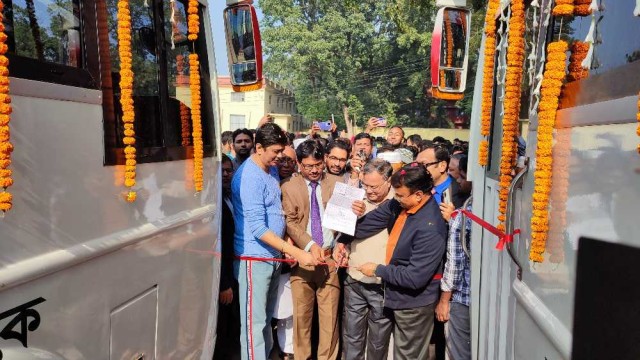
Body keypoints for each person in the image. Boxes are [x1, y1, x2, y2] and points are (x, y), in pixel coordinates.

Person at [232, 123, 316, 360]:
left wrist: (285, 241)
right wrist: (295, 251)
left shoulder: (271, 170)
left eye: (282, 151)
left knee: (267, 319)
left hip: (273, 255)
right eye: (276, 151)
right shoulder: (249, 177)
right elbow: (258, 228)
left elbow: (277, 212)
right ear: (258, 148)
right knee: (254, 325)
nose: (280, 156)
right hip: (254, 258)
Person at [349, 163, 448, 360]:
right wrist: (350, 216)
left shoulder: (431, 227)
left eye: (401, 195)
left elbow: (414, 278)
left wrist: (378, 270)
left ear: (419, 195)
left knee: (407, 355)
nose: (396, 199)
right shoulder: (399, 204)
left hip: (414, 305)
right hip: (395, 295)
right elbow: (363, 227)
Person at [281, 139, 365, 360]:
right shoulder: (289, 187)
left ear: (324, 161)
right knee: (302, 319)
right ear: (299, 163)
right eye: (309, 166)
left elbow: (347, 220)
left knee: (329, 321)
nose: (315, 170)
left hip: (330, 260)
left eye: (318, 164)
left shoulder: (337, 183)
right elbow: (290, 222)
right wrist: (309, 245)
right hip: (303, 260)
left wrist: (355, 212)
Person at [334, 159, 395, 360]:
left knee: (378, 341)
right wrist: (341, 244)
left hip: (381, 285)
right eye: (365, 185)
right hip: (354, 280)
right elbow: (340, 231)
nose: (369, 191)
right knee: (352, 336)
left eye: (374, 186)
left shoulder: (398, 205)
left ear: (389, 181)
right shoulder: (356, 201)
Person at [436, 160, 473, 360]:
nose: (457, 179)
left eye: (459, 174)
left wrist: (444, 301)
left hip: (463, 298)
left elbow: (455, 264)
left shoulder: (466, 213)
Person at [213, 154, 241, 360]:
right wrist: (224, 284)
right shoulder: (215, 203)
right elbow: (218, 245)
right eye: (220, 170)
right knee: (221, 327)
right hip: (223, 278)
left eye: (228, 170)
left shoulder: (229, 196)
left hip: (233, 271)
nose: (225, 174)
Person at [274, 145, 298, 360]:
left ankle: (287, 349)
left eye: (290, 160)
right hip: (269, 254)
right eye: (281, 160)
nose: (285, 164)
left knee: (288, 310)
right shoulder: (270, 183)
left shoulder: (300, 186)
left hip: (295, 257)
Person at [416, 144, 465, 209]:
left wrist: (452, 218)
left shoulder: (458, 194)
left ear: (442, 166)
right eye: (416, 165)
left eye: (423, 165)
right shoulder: (416, 186)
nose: (417, 169)